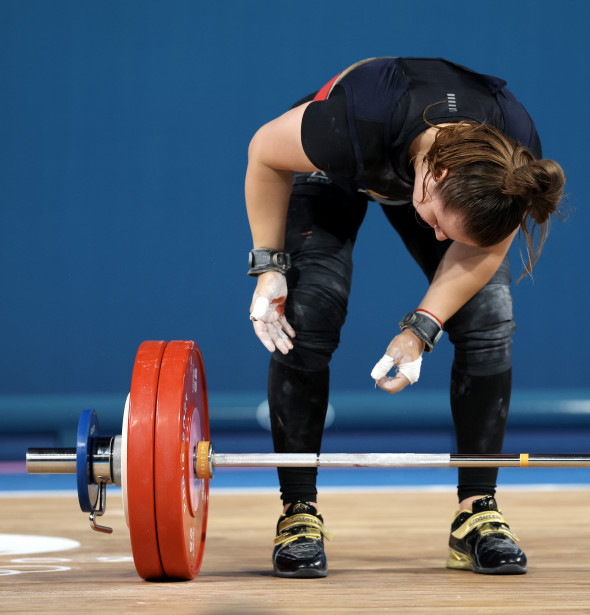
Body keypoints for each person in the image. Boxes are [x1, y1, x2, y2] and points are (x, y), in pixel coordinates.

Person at [244, 57, 565, 578]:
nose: (438, 238)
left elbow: (481, 246)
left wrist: (422, 327)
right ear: (435, 174)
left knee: (488, 318)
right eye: (438, 223)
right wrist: (268, 266)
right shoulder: (352, 123)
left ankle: (476, 514)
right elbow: (264, 153)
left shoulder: (510, 160)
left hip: (423, 174)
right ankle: (297, 512)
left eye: (449, 231)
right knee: (308, 312)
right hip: (350, 162)